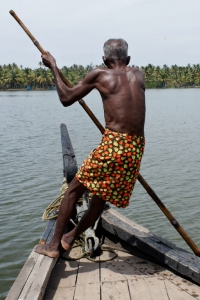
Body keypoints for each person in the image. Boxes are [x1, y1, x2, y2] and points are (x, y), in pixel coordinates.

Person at [35, 38, 146, 258]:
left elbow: (66, 98)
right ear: (129, 59)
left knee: (73, 191)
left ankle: (53, 246)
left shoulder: (99, 73)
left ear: (104, 59)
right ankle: (70, 236)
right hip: (136, 146)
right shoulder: (139, 74)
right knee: (100, 196)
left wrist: (54, 67)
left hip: (115, 144)